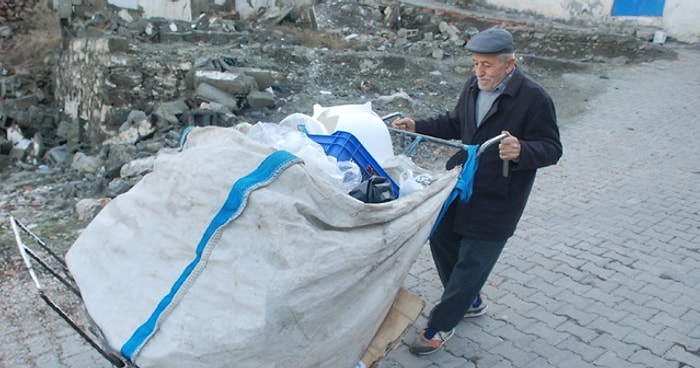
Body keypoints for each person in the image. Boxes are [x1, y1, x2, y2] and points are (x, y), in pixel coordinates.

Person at [391, 27, 563, 355]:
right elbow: (456, 122)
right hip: (464, 181)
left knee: (473, 261)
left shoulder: (534, 98)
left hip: (501, 193)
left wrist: (523, 151)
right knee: (440, 234)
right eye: (475, 63)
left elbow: (552, 148)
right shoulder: (474, 86)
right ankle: (469, 299)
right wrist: (418, 126)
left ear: (509, 65)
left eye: (487, 65)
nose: (478, 71)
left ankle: (440, 325)